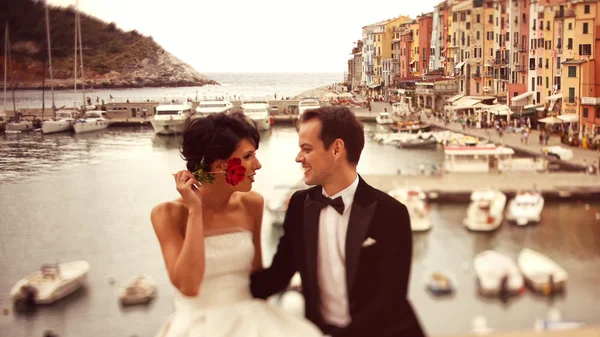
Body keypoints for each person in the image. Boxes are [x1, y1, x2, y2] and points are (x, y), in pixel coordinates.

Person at [250, 106, 426, 337]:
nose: (298, 158)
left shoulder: (391, 213)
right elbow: (280, 273)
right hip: (321, 329)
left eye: (306, 149)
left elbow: (391, 298)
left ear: (336, 149)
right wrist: (226, 290)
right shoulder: (299, 206)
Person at [151, 112, 323, 337]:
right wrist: (195, 210)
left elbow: (257, 281)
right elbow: (188, 286)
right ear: (222, 167)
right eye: (248, 156)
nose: (258, 165)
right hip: (196, 327)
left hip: (251, 321)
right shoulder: (168, 214)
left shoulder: (252, 204)